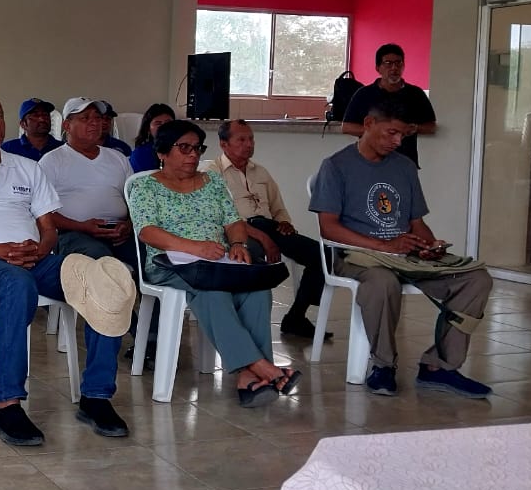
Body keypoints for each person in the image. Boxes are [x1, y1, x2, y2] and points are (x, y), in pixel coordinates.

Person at [0, 92, 135, 446]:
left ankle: (96, 396)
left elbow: (49, 227)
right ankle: (7, 404)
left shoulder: (27, 168)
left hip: (33, 258)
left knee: (104, 275)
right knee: (17, 283)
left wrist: (40, 249)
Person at [311, 98, 491, 398]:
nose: (397, 141)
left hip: (404, 256)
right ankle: (383, 365)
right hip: (357, 256)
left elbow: (416, 223)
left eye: (403, 135)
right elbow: (328, 227)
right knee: (382, 281)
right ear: (368, 124)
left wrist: (428, 246)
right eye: (391, 133)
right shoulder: (336, 166)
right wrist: (384, 246)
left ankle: (438, 366)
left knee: (476, 279)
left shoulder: (404, 167)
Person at [126, 119, 302, 408]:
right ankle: (265, 369)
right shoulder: (146, 187)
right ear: (162, 152)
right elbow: (147, 232)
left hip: (217, 262)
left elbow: (233, 222)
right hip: (170, 264)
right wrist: (196, 248)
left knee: (257, 290)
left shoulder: (213, 182)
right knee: (213, 293)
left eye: (197, 148)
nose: (193, 155)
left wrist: (238, 244)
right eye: (184, 148)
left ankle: (249, 378)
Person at [215, 119, 329, 341]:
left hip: (269, 226)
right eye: (241, 140)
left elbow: (278, 208)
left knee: (321, 255)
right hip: (239, 230)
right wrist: (265, 239)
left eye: (251, 139)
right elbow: (220, 216)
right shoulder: (213, 171)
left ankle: (296, 316)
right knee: (254, 254)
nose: (249, 144)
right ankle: (245, 322)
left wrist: (284, 223)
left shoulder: (260, 172)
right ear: (224, 144)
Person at [39, 98, 135, 271]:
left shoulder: (118, 158)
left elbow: (135, 201)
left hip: (118, 232)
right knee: (98, 258)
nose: (94, 122)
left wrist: (128, 224)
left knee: (151, 253)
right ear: (67, 126)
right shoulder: (52, 161)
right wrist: (82, 226)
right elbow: (41, 212)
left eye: (97, 118)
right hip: (73, 233)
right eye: (85, 118)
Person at [341, 43, 436, 167]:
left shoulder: (415, 94)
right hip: (369, 161)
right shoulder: (364, 94)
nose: (394, 68)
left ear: (403, 66)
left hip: (404, 162)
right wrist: (378, 131)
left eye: (398, 63)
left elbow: (431, 126)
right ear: (378, 68)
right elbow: (347, 127)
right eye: (388, 63)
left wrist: (413, 128)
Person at [129, 103, 176, 172]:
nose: (164, 126)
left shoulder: (184, 148)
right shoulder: (140, 154)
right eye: (158, 123)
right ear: (148, 128)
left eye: (168, 123)